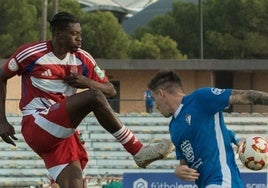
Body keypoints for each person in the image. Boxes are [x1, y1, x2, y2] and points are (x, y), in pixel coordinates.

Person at [0, 12, 174, 188]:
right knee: (94, 96)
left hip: (61, 133)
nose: (79, 38)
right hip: (37, 123)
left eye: (80, 34)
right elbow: (1, 76)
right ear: (59, 34)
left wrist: (87, 81)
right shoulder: (32, 53)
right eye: (74, 34)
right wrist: (2, 121)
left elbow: (111, 90)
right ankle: (137, 150)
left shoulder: (83, 58)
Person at [147, 70, 268, 188]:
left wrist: (235, 139)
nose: (155, 106)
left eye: (153, 98)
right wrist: (179, 171)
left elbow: (246, 96)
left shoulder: (201, 98)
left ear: (161, 93)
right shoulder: (174, 127)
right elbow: (184, 163)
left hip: (223, 181)